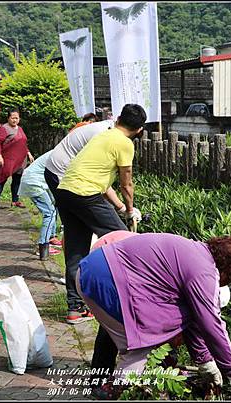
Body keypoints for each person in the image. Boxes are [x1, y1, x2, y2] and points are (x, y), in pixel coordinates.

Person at [77, 234, 231, 400]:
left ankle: (116, 384)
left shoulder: (193, 249)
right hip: (103, 283)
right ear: (228, 269)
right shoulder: (204, 272)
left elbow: (194, 319)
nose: (230, 282)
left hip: (88, 271)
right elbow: (211, 325)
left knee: (147, 338)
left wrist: (205, 361)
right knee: (142, 349)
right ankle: (111, 390)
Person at [53, 103, 146, 324]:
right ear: (140, 129)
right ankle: (131, 301)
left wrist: (121, 208)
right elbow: (126, 184)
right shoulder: (124, 143)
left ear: (119, 119)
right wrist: (130, 211)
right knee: (125, 242)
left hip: (65, 192)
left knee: (76, 251)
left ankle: (75, 309)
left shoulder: (103, 136)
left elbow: (103, 183)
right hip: (86, 194)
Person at [17, 150, 63, 260]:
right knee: (50, 212)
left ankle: (51, 237)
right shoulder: (62, 155)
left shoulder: (62, 151)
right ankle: (43, 245)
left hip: (38, 181)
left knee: (54, 206)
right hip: (33, 182)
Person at [0, 109, 34, 213]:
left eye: (16, 118)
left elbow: (23, 143)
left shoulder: (20, 129)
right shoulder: (3, 129)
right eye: (12, 118)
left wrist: (28, 153)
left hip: (20, 160)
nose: (15, 120)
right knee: (1, 180)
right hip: (6, 159)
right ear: (8, 118)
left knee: (17, 180)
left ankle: (15, 201)